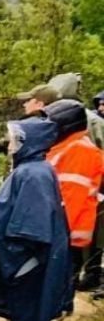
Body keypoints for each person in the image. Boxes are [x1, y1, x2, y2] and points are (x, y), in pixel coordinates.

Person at [0, 117, 72, 321]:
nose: (10, 144)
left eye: (16, 139)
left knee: (31, 298)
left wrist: (16, 256)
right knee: (19, 300)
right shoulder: (29, 169)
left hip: (28, 255)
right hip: (20, 254)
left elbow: (33, 225)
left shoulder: (34, 174)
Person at [43, 98, 104, 298]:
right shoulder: (66, 146)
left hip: (69, 230)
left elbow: (72, 197)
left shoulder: (79, 151)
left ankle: (58, 310)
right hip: (65, 229)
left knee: (63, 277)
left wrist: (55, 231)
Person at [0, 83, 58, 164]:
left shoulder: (35, 127)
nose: (25, 104)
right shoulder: (55, 125)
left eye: (28, 101)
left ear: (39, 104)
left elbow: (16, 137)